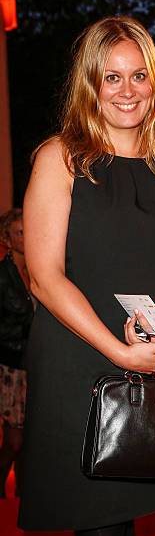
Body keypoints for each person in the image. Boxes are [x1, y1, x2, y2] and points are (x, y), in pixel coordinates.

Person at [18, 16, 155, 536]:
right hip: (77, 363)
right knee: (97, 530)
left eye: (139, 76)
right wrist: (117, 350)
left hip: (147, 362)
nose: (127, 91)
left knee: (122, 523)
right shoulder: (61, 159)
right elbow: (44, 276)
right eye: (111, 77)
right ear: (89, 84)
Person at [0, 209, 34, 498]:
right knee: (14, 440)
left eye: (28, 230)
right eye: (19, 232)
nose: (26, 237)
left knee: (29, 438)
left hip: (35, 363)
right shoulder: (2, 277)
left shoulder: (37, 270)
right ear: (7, 239)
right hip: (11, 367)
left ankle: (24, 493)